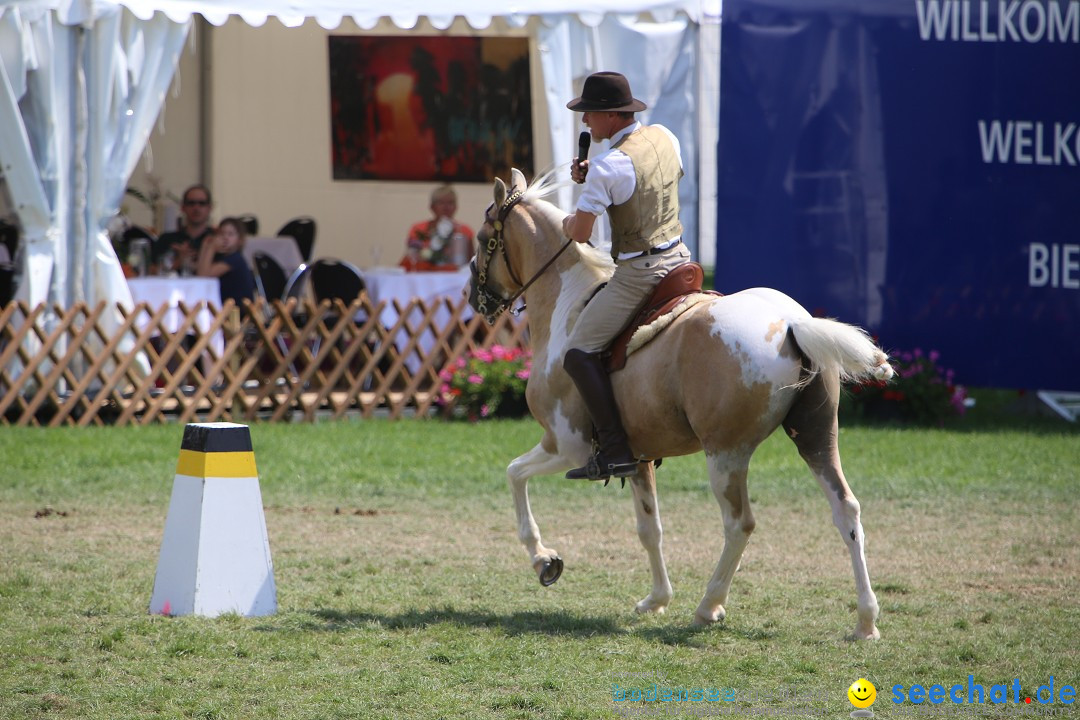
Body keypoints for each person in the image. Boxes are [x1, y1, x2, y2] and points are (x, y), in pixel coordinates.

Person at [560, 71, 692, 481]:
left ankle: (616, 450)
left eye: (589, 115)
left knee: (578, 352)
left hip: (641, 272)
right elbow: (663, 182)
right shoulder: (666, 137)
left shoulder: (609, 166)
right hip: (682, 258)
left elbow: (582, 235)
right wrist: (597, 181)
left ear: (611, 117)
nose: (585, 123)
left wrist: (568, 218)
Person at [399, 185, 474, 271]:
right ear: (432, 207)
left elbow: (470, 262)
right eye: (441, 203)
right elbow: (411, 258)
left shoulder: (465, 231)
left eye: (450, 203)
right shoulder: (418, 229)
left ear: (456, 207)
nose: (446, 207)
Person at [196, 217, 256, 311]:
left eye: (230, 234)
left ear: (240, 240)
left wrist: (211, 248)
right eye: (221, 233)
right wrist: (205, 246)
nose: (225, 237)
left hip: (236, 312)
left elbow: (203, 277)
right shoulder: (221, 258)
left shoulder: (235, 259)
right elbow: (200, 271)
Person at [154, 184, 214, 275]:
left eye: (202, 203)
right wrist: (178, 262)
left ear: (209, 208)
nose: (196, 208)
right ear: (183, 207)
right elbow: (151, 271)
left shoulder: (216, 240)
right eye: (191, 203)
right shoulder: (167, 239)